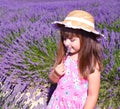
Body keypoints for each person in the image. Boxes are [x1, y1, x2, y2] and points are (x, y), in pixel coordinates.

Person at [47, 10, 104, 109]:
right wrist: (55, 74)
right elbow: (52, 80)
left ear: (87, 40)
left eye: (72, 40)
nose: (66, 43)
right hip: (58, 104)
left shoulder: (91, 64)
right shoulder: (65, 57)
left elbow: (92, 96)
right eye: (64, 38)